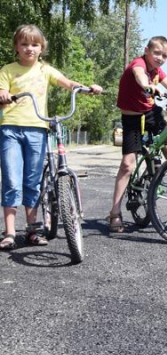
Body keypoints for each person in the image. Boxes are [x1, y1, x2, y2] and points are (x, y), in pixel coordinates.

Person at [0, 24, 103, 250]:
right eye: (24, 44)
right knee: (11, 180)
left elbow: (67, 83)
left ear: (41, 48)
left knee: (32, 181)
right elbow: (1, 93)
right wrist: (4, 94)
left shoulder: (45, 69)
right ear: (16, 47)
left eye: (34, 44)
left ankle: (32, 229)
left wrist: (86, 88)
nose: (29, 48)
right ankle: (8, 232)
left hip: (38, 128)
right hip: (11, 129)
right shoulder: (7, 70)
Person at [107, 36, 167, 234]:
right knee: (127, 164)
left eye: (164, 56)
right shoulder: (138, 64)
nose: (160, 58)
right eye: (157, 53)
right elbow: (138, 75)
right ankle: (114, 212)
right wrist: (148, 86)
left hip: (151, 113)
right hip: (131, 117)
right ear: (146, 50)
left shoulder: (157, 70)